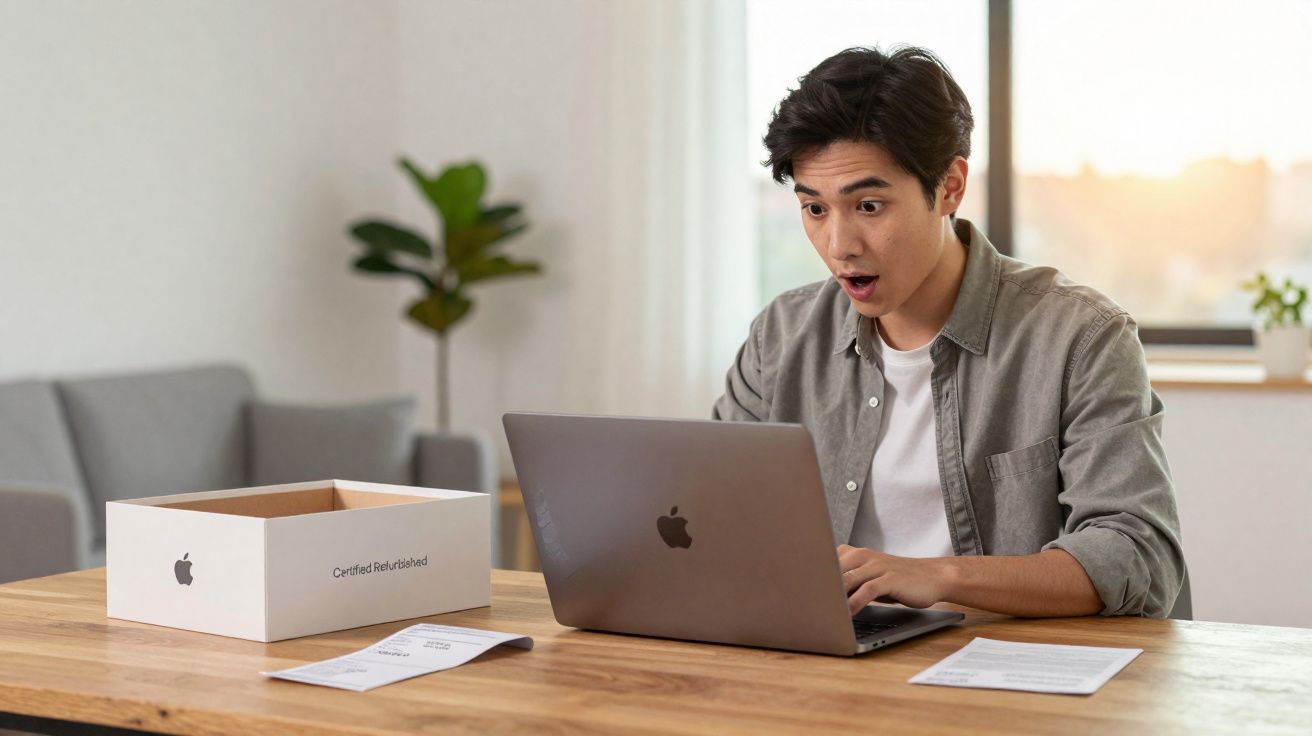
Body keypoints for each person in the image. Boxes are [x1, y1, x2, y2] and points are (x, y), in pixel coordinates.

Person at [712, 46, 1184, 618]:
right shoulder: (781, 337)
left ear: (951, 187)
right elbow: (713, 515)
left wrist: (938, 577)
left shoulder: (1080, 337)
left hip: (1014, 677)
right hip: (832, 667)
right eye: (815, 210)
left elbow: (1136, 555)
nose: (839, 245)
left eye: (868, 205)